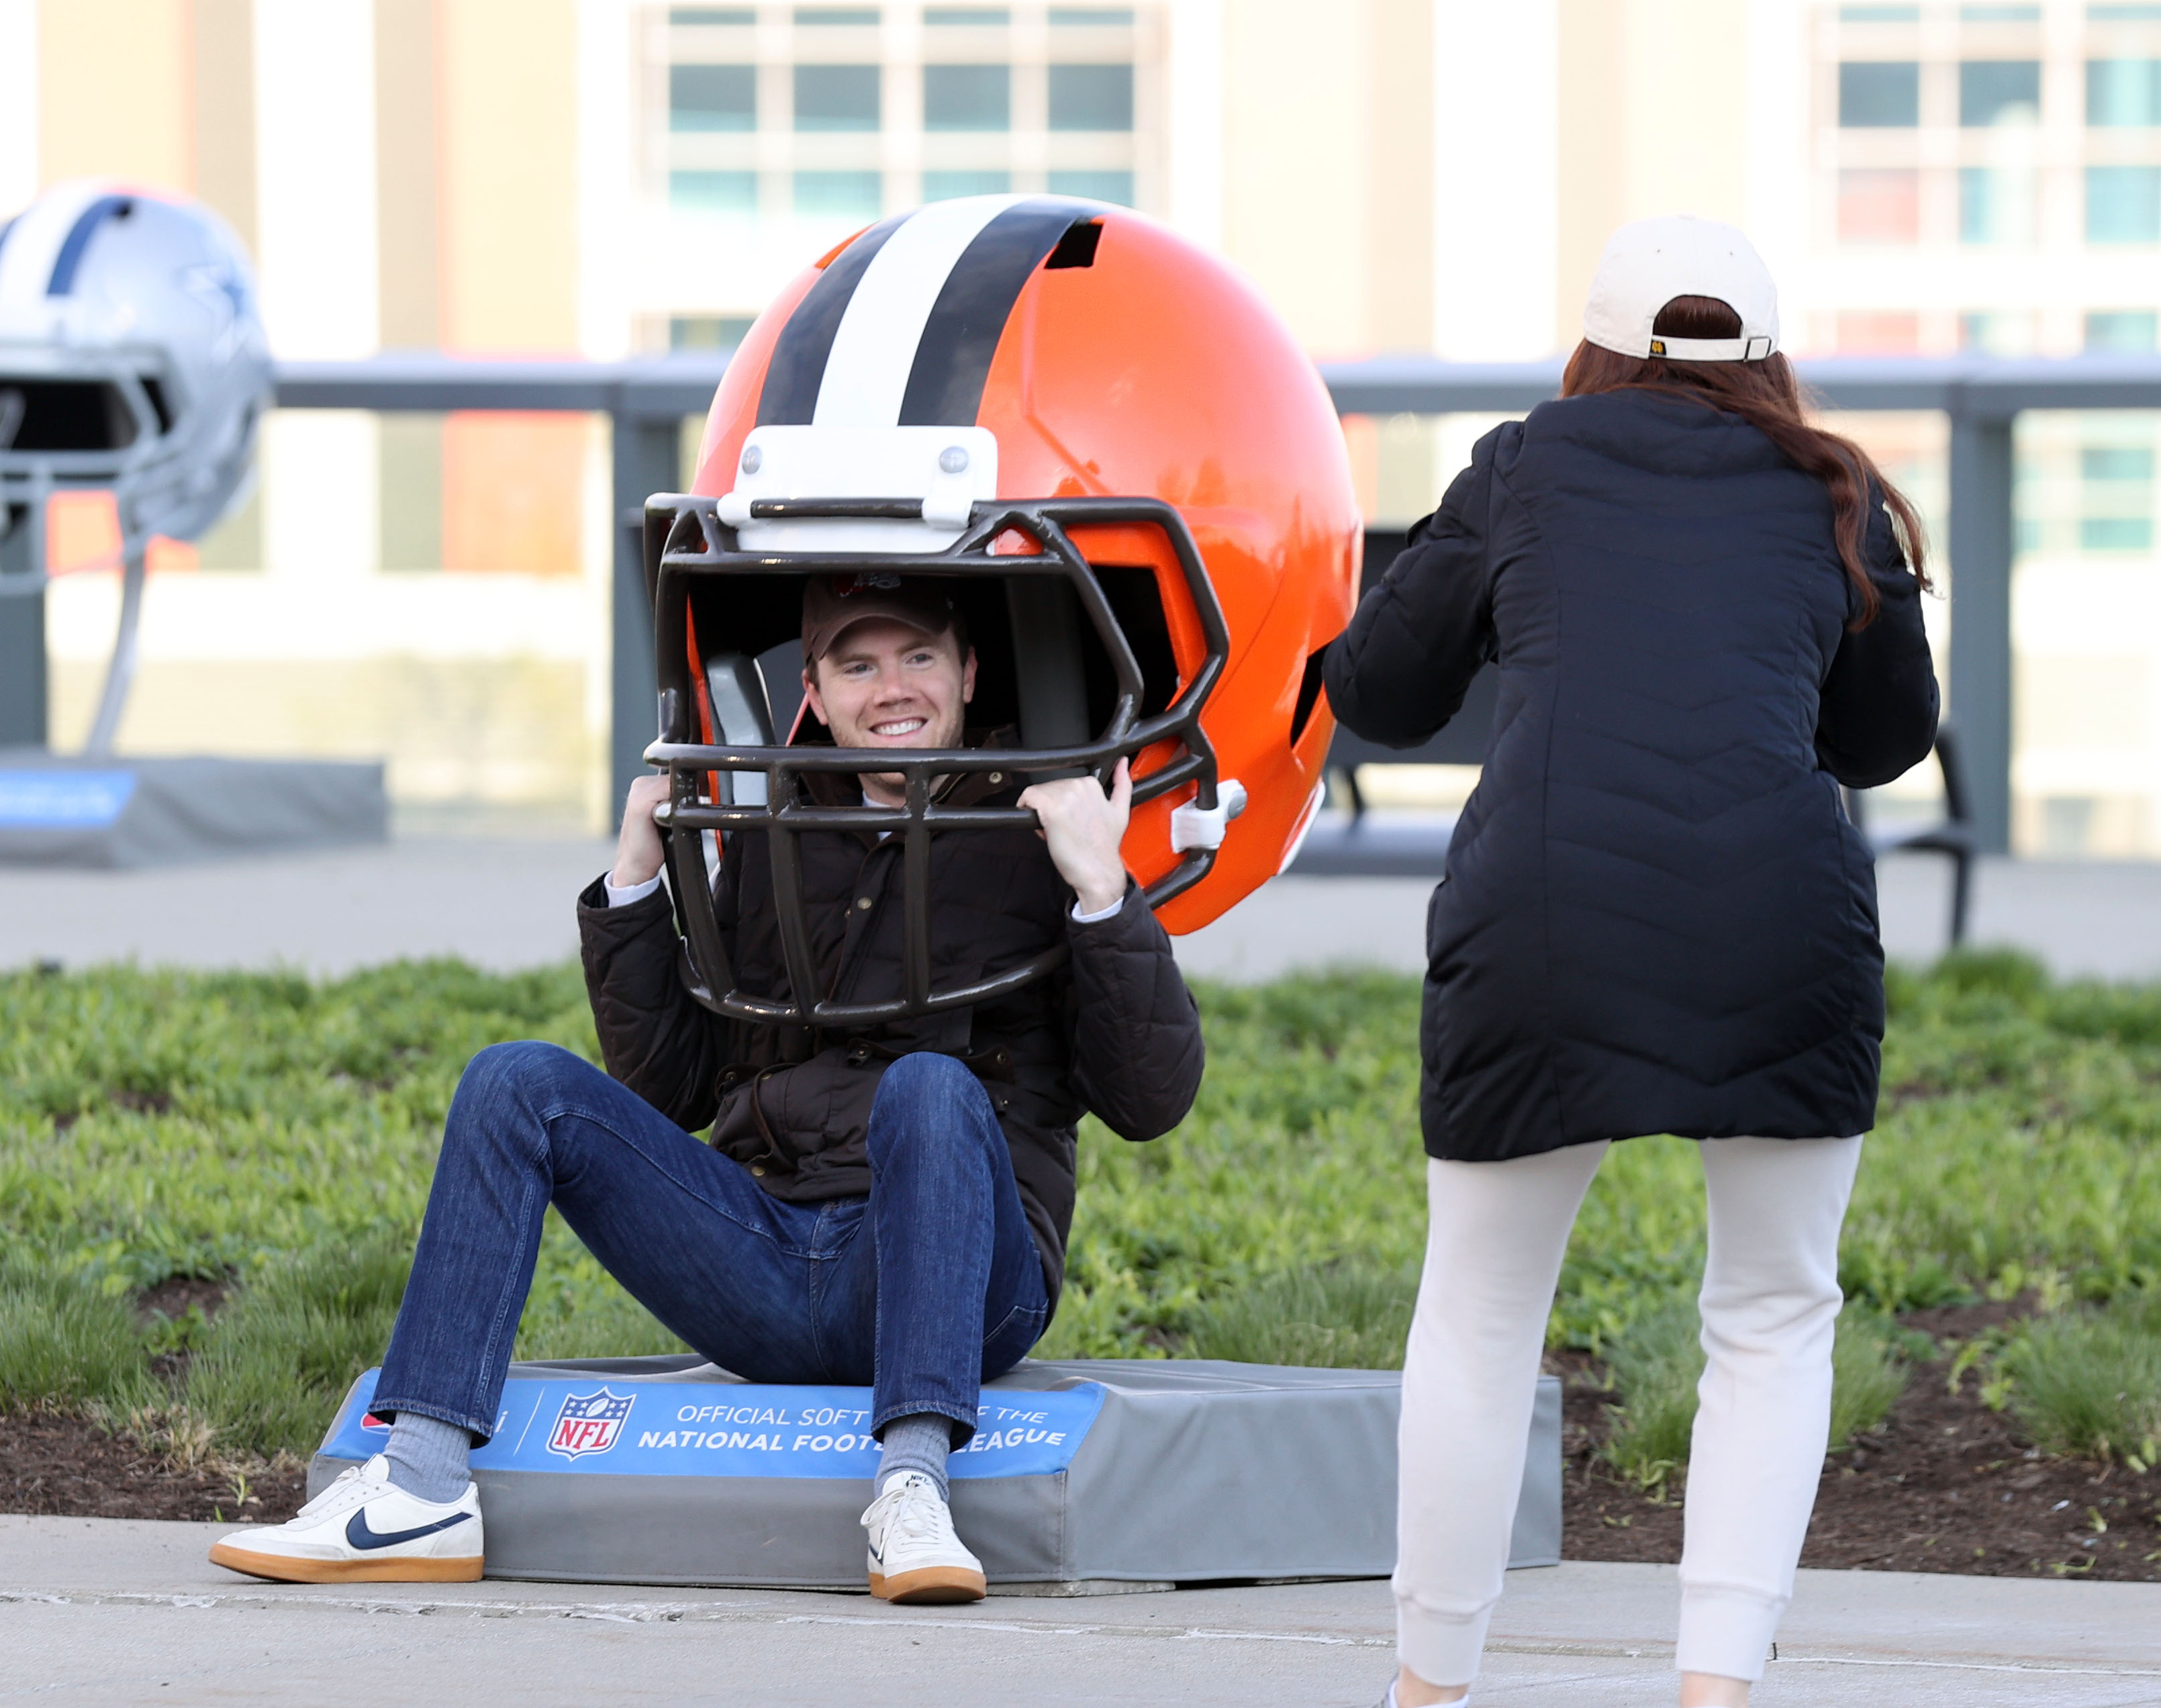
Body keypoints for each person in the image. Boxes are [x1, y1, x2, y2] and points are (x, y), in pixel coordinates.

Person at [208, 572, 1203, 1600]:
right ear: (813, 688)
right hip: (765, 1253)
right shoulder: (774, 826)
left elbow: (1149, 1099)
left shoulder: (1043, 823)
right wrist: (638, 880)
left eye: (918, 658)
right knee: (515, 1082)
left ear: (968, 671)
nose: (891, 688)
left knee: (928, 1088)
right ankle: (418, 1484)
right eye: (857, 666)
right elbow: (671, 1088)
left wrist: (1102, 891)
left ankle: (912, 1491)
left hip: (955, 1270)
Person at [1319, 216, 1938, 1708]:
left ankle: (1430, 1687)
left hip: (1544, 924)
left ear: (1595, 349)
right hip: (1780, 923)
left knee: (1480, 1311)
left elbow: (1381, 691)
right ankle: (1715, 1688)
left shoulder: (1523, 464)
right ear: (1771, 362)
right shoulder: (1838, 495)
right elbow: (1884, 739)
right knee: (1776, 1314)